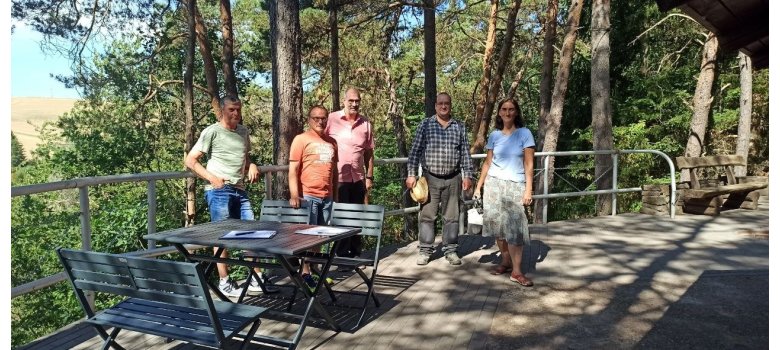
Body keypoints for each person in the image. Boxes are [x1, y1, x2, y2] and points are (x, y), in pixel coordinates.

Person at [185, 94, 277, 297]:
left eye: (238, 110)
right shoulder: (212, 131)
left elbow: (245, 158)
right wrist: (212, 178)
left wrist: (252, 165)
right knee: (222, 235)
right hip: (219, 190)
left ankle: (255, 278)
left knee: (251, 232)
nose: (236, 113)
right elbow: (190, 160)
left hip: (240, 189)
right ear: (222, 111)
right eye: (231, 110)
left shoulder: (243, 131)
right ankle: (224, 281)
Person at [406, 92, 474, 266]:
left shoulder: (459, 126)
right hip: (430, 178)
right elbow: (415, 151)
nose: (444, 106)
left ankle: (451, 250)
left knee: (452, 217)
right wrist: (411, 174)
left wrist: (468, 175)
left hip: (453, 178)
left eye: (447, 103)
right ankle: (425, 250)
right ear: (435, 106)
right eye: (440, 103)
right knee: (427, 216)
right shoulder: (425, 125)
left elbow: (465, 153)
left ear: (450, 105)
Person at [473, 97, 535, 287]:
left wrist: (528, 189)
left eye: (511, 109)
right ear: (499, 112)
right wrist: (478, 186)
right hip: (493, 185)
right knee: (498, 228)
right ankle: (506, 262)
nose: (507, 112)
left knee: (515, 229)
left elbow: (529, 164)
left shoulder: (525, 133)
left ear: (516, 112)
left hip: (515, 185)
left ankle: (517, 271)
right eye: (504, 109)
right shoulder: (494, 136)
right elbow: (487, 163)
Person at [289, 105, 339, 289]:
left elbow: (334, 172)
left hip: (327, 196)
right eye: (316, 118)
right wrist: (295, 194)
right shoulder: (301, 139)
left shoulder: (332, 142)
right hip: (308, 196)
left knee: (321, 236)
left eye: (323, 118)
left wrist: (335, 195)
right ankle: (305, 272)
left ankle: (314, 268)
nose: (320, 121)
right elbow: (293, 170)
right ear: (309, 120)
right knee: (307, 236)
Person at [325, 87, 375, 259]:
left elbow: (369, 153)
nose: (354, 104)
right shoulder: (331, 119)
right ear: (344, 101)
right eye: (351, 100)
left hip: (358, 178)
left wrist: (369, 176)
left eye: (357, 101)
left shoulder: (365, 123)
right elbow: (320, 141)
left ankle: (355, 254)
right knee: (340, 217)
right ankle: (341, 256)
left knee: (357, 217)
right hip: (337, 178)